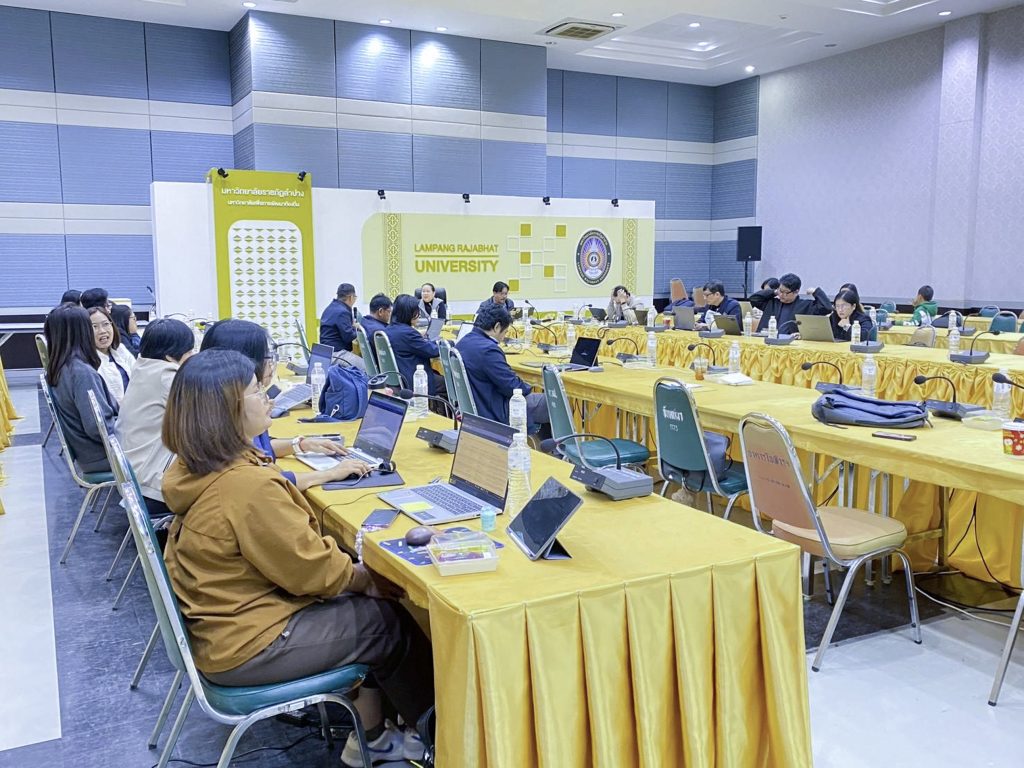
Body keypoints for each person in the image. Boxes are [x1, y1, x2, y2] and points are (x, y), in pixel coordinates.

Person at [161, 349, 433, 765]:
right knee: (388, 622)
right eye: (257, 391)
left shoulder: (194, 468)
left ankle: (374, 735)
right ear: (226, 412)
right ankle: (440, 740)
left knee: (364, 599)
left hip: (221, 625)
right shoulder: (246, 486)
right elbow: (313, 572)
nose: (267, 396)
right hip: (248, 643)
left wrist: (354, 575)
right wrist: (364, 578)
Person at [201, 319, 355, 491]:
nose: (270, 364)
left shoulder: (219, 406)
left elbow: (261, 449)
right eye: (266, 356)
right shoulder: (237, 413)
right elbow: (266, 481)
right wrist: (331, 473)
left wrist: (301, 444)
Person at [116, 318, 194, 518]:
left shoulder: (143, 367)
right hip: (152, 486)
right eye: (189, 352)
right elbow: (202, 417)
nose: (193, 357)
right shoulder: (167, 376)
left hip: (134, 478)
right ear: (169, 356)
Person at [44, 304, 117, 473]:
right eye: (91, 327)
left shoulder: (61, 367)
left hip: (88, 455)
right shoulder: (82, 373)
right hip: (104, 456)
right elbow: (99, 428)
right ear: (83, 333)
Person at [456, 303, 550, 432]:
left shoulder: (462, 342)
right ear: (497, 327)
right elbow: (512, 387)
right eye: (505, 332)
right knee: (553, 403)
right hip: (496, 410)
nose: (503, 338)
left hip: (476, 408)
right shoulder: (488, 350)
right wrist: (527, 386)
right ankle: (557, 444)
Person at [383, 295, 442, 394]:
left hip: (400, 377)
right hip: (415, 380)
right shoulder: (408, 333)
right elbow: (433, 351)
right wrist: (441, 343)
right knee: (449, 383)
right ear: (409, 313)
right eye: (417, 311)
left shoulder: (390, 328)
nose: (419, 314)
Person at [749, 272, 830, 332]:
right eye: (780, 290)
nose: (782, 295)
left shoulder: (805, 306)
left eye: (786, 292)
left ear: (796, 291)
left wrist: (815, 291)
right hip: (765, 341)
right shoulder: (772, 303)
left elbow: (827, 308)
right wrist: (774, 292)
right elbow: (754, 299)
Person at [89, 306, 135, 403]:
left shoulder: (120, 349)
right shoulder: (87, 360)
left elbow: (138, 375)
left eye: (105, 324)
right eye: (94, 327)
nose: (102, 331)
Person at [320, 283, 359, 353]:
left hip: (325, 351)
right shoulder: (343, 312)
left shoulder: (331, 307)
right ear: (351, 297)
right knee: (364, 360)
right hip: (336, 353)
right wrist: (358, 330)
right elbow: (349, 337)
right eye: (355, 297)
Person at [359, 293, 392, 360]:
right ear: (380, 311)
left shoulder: (364, 321)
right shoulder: (379, 332)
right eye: (389, 311)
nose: (390, 315)